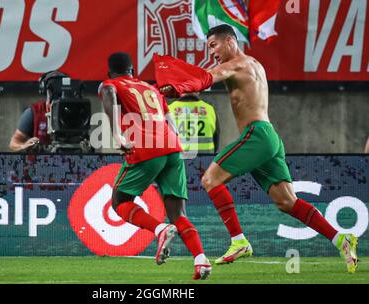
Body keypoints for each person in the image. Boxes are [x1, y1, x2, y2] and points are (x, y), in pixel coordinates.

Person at [158, 24, 358, 273]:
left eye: (213, 45)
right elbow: (207, 75)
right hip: (268, 136)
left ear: (230, 41)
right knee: (287, 201)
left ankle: (238, 241)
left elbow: (205, 78)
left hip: (257, 135)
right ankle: (341, 239)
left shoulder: (236, 65)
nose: (212, 52)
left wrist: (175, 87)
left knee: (210, 179)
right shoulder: (253, 64)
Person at [98, 52, 212, 280]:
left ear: (110, 71)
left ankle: (159, 230)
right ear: (132, 70)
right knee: (178, 214)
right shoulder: (150, 88)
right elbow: (172, 124)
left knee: (120, 202)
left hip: (146, 149)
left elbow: (108, 91)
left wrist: (117, 135)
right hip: (173, 148)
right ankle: (201, 260)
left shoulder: (110, 84)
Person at [9, 71, 67, 152]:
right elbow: (13, 143)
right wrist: (24, 146)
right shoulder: (34, 112)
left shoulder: (76, 112)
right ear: (45, 91)